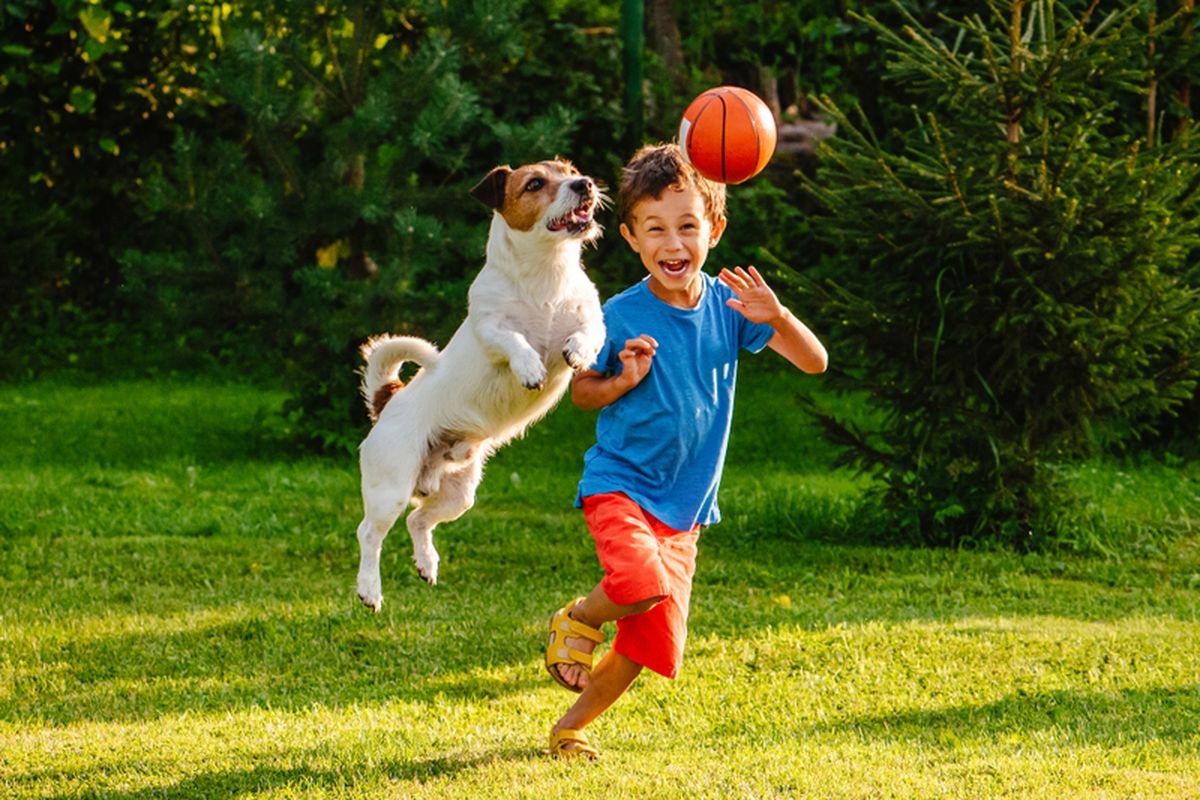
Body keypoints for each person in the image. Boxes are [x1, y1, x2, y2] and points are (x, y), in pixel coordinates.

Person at [543, 143, 828, 759]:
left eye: (688, 226)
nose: (674, 244)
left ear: (714, 230)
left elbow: (814, 361)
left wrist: (776, 315)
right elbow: (582, 393)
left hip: (684, 509)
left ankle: (572, 727)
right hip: (621, 483)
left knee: (649, 645)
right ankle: (580, 619)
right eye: (656, 229)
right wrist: (621, 380)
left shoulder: (732, 307)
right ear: (630, 238)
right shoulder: (617, 313)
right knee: (638, 582)